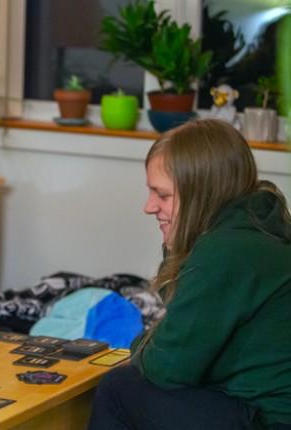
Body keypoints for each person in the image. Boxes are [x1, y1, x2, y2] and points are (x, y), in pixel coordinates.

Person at [88, 119, 291, 429]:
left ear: (201, 194)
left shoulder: (227, 251)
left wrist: (143, 345)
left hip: (266, 419)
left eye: (163, 195)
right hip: (255, 407)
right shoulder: (257, 228)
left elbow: (167, 364)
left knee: (118, 388)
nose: (149, 206)